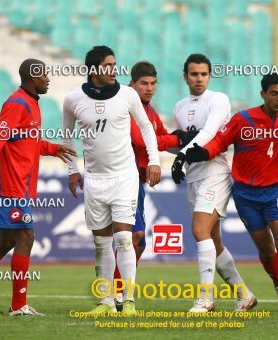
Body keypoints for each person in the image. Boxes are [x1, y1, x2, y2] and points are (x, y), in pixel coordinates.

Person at [0, 59, 77, 316]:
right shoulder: (16, 104)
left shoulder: (31, 104)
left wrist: (51, 148)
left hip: (18, 185)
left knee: (8, 240)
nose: (48, 78)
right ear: (32, 77)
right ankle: (18, 305)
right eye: (43, 74)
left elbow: (25, 141)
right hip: (8, 185)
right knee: (25, 236)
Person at [186, 73, 278, 312]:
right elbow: (220, 142)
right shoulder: (243, 119)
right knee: (265, 248)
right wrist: (202, 152)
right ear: (263, 94)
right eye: (274, 93)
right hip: (247, 195)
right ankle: (277, 281)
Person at [63, 46, 161, 316]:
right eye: (108, 65)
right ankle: (105, 301)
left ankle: (128, 300)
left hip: (124, 177)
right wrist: (72, 169)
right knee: (101, 243)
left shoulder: (127, 94)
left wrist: (154, 161)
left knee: (124, 238)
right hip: (94, 180)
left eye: (115, 64)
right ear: (94, 69)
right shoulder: (73, 100)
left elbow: (146, 127)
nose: (114, 69)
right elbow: (67, 137)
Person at [171, 53, 256, 313]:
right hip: (195, 176)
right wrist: (179, 158)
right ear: (185, 76)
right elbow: (185, 143)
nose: (199, 79)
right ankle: (245, 295)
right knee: (213, 241)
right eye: (194, 74)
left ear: (209, 75)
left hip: (216, 173)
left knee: (199, 230)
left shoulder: (218, 99)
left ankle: (205, 298)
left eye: (204, 74)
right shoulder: (179, 106)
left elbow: (208, 133)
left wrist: (182, 155)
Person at [113, 61, 198, 310]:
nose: (149, 88)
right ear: (132, 84)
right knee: (131, 236)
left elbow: (161, 137)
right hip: (120, 177)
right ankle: (118, 294)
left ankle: (118, 291)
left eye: (152, 84)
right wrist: (177, 138)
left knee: (137, 241)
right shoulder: (128, 107)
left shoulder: (149, 110)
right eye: (143, 83)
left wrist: (190, 146)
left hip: (134, 180)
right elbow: (141, 140)